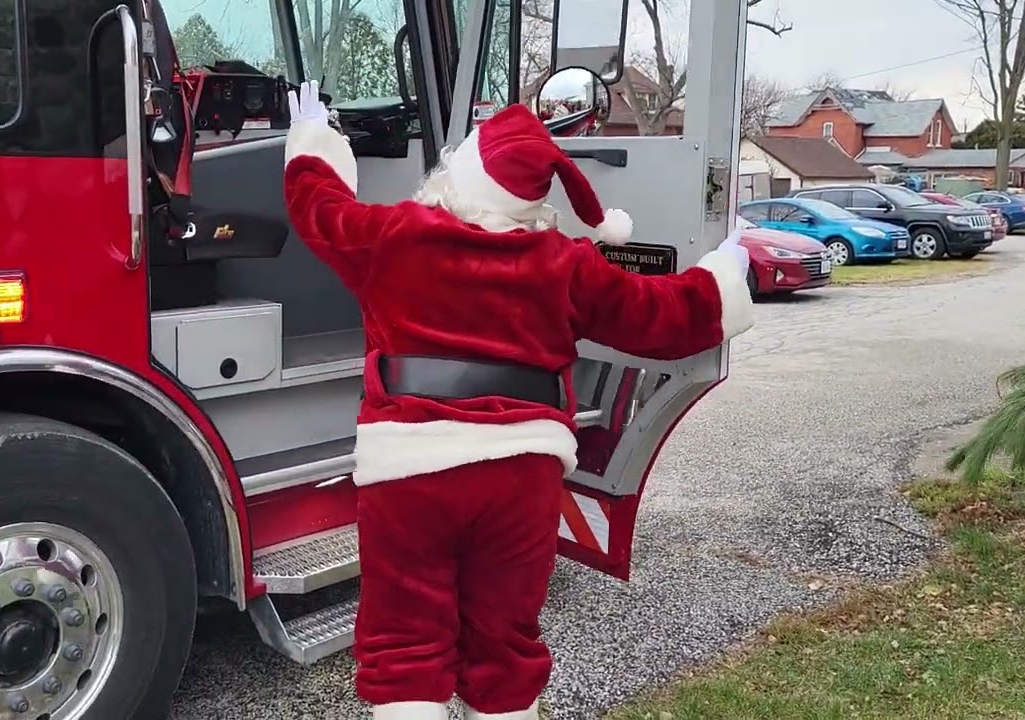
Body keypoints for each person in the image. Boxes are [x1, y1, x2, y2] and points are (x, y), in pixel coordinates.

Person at [281, 81, 754, 720]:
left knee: (404, 642)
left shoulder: (393, 236)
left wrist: (314, 140)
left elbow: (320, 210)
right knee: (504, 644)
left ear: (459, 173)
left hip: (409, 470)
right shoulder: (564, 263)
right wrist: (723, 275)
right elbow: (657, 316)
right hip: (521, 476)